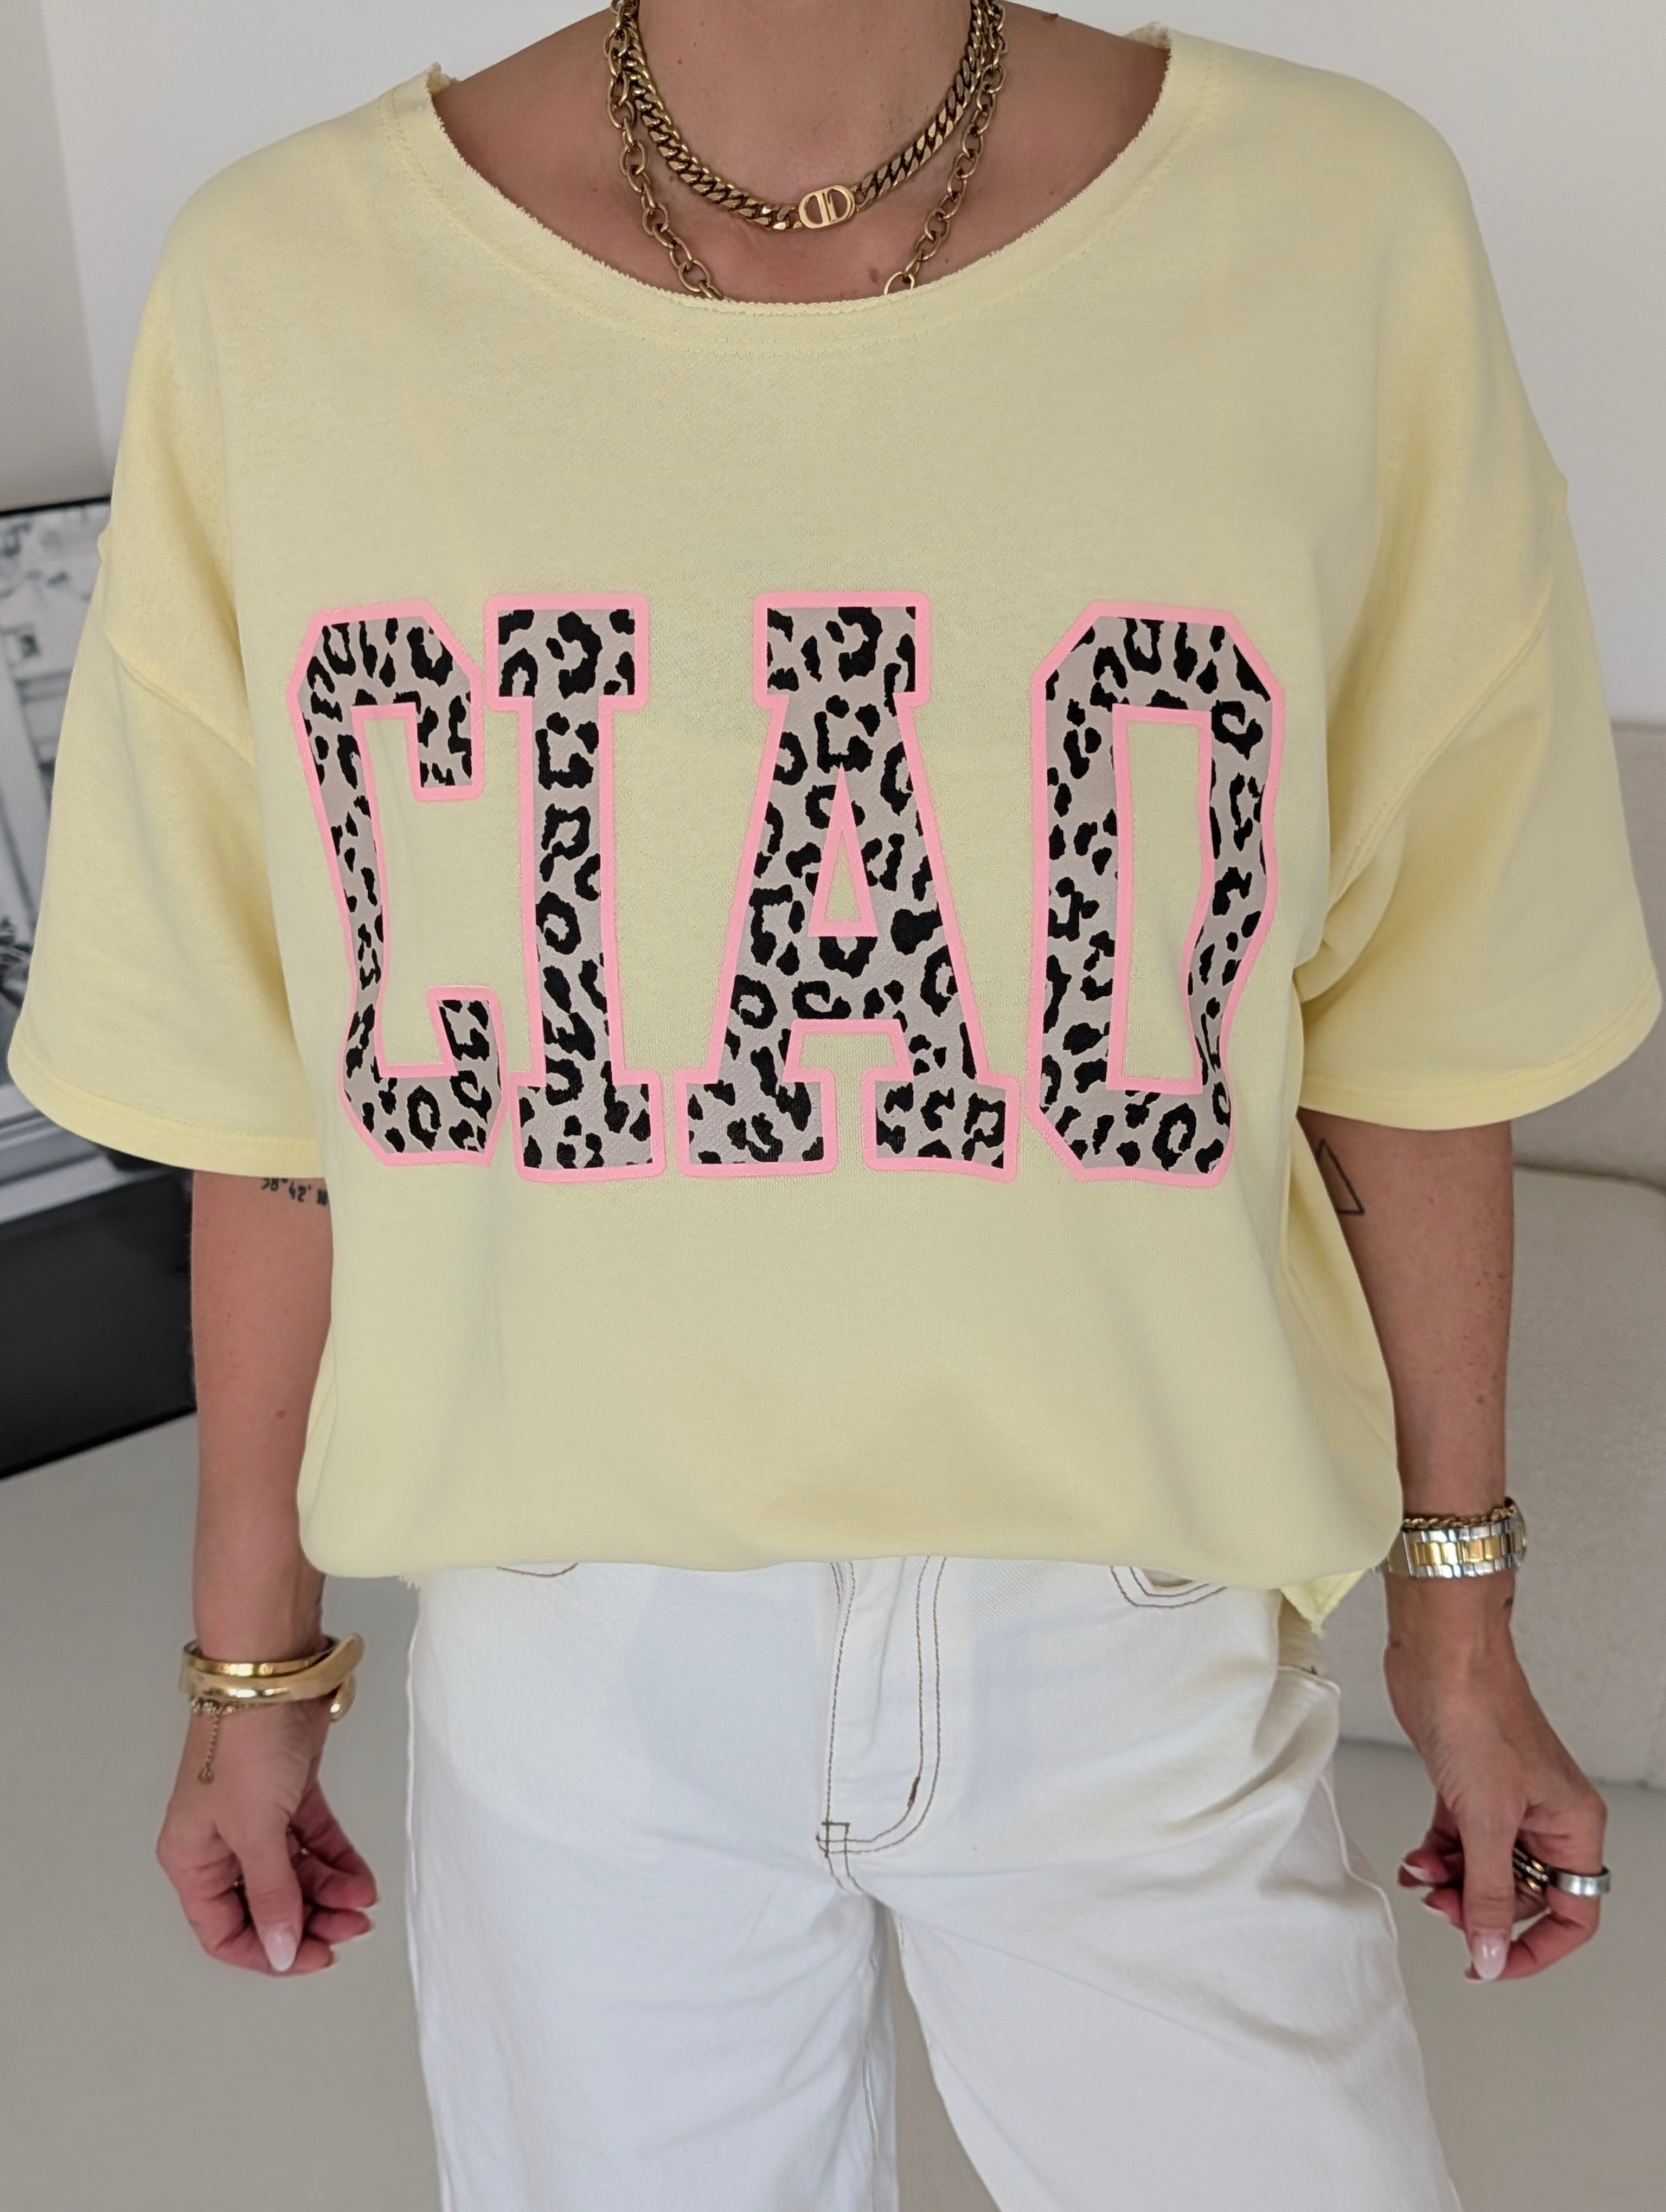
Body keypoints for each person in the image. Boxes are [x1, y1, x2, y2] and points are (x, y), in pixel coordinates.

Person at [11, 4, 1657, 2207]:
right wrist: (249, 1660)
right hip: (571, 1658)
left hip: (1133, 1630)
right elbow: (275, 1080)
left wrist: (1461, 1618)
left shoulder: (1335, 230)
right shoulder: (287, 286)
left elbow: (1414, 1026)